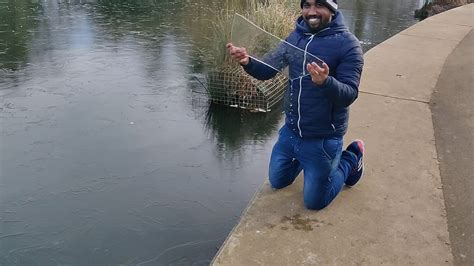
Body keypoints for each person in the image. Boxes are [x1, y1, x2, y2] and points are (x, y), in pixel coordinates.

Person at [226, 0, 365, 210]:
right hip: (291, 132)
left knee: (314, 202)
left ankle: (352, 158)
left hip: (323, 137)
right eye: (306, 5)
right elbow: (267, 70)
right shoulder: (296, 36)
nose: (311, 12)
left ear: (332, 8)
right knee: (278, 181)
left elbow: (349, 94)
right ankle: (305, 161)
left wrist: (325, 83)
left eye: (319, 5)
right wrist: (247, 61)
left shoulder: (348, 45)